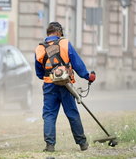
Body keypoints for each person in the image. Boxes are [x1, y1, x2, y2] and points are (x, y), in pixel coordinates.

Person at [34, 22, 96, 152]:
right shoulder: (65, 44)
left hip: (49, 85)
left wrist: (50, 77)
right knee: (72, 113)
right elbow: (77, 64)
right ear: (58, 32)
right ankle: (82, 144)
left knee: (49, 115)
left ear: (48, 33)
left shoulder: (39, 49)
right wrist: (87, 76)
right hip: (66, 85)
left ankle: (50, 145)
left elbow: (39, 72)